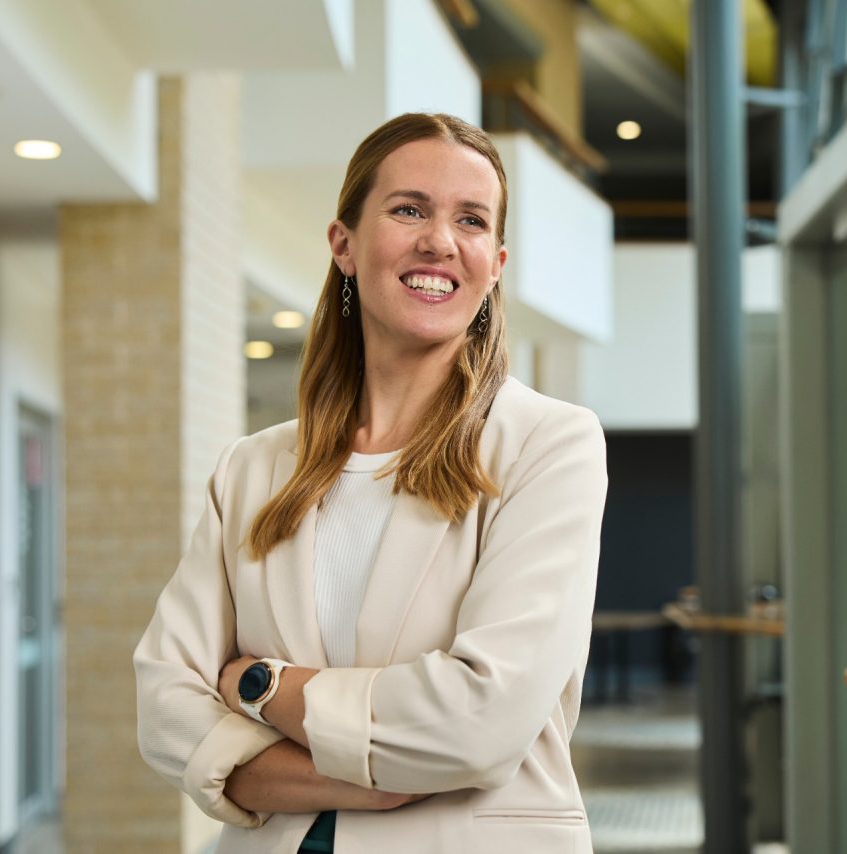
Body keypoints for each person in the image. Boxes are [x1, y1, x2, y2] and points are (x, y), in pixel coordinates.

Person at [134, 112, 608, 853]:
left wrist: (259, 686)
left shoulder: (551, 447)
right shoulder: (251, 470)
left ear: (496, 264)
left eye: (471, 221)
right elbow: (165, 708)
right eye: (409, 209)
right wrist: (367, 776)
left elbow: (480, 722)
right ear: (344, 245)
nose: (440, 241)